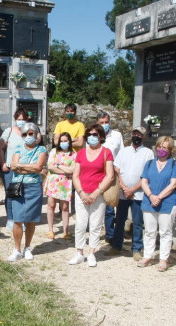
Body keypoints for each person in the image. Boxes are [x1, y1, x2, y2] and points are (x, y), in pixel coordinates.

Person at [69, 125, 116, 267]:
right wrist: (82, 192)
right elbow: (75, 175)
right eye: (89, 134)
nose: (91, 137)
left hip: (98, 194)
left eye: (95, 134)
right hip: (81, 193)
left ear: (101, 136)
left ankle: (91, 253)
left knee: (95, 225)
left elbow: (110, 175)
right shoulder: (81, 153)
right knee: (80, 224)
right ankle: (79, 253)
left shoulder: (106, 152)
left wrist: (97, 192)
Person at [107, 126, 155, 260]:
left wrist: (133, 189)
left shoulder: (148, 153)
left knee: (138, 222)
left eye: (140, 135)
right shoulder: (123, 151)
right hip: (123, 193)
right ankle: (117, 246)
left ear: (143, 137)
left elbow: (147, 175)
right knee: (120, 220)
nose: (137, 137)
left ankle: (136, 249)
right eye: (135, 134)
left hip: (138, 194)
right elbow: (117, 170)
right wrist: (123, 187)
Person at [139, 135, 176, 271]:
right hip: (149, 201)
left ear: (170, 150)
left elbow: (173, 183)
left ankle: (163, 259)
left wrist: (159, 197)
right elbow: (144, 181)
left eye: (165, 147)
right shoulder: (149, 163)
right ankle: (147, 256)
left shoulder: (175, 164)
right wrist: (151, 196)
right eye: (159, 147)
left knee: (165, 232)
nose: (161, 149)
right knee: (149, 231)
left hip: (167, 202)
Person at [7, 123, 47, 261]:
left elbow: (38, 167)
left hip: (34, 188)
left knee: (30, 220)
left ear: (36, 134)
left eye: (31, 133)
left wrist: (21, 166)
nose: (28, 136)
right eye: (25, 134)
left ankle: (27, 247)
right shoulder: (18, 148)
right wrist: (30, 167)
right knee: (17, 219)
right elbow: (13, 166)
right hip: (19, 186)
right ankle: (17, 249)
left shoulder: (42, 149)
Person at [0, 108, 30, 230]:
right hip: (10, 168)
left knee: (23, 194)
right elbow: (1, 148)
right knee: (11, 194)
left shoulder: (29, 132)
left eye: (23, 119)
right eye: (18, 119)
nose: (20, 121)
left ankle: (20, 219)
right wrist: (3, 164)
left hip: (24, 168)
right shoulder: (9, 131)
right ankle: (10, 218)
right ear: (15, 119)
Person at [43, 131, 75, 239]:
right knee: (51, 205)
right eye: (61, 141)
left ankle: (65, 231)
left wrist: (58, 165)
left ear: (69, 141)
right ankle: (51, 230)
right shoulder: (54, 151)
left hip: (66, 183)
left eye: (65, 141)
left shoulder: (74, 153)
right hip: (53, 182)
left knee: (65, 207)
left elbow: (73, 169)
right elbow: (50, 166)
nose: (63, 143)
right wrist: (65, 169)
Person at [100, 111, 123, 246]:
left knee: (109, 205)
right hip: (97, 174)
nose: (104, 125)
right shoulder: (94, 135)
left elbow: (121, 154)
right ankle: (94, 232)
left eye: (106, 122)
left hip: (112, 174)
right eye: (101, 123)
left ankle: (110, 234)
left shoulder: (117, 135)